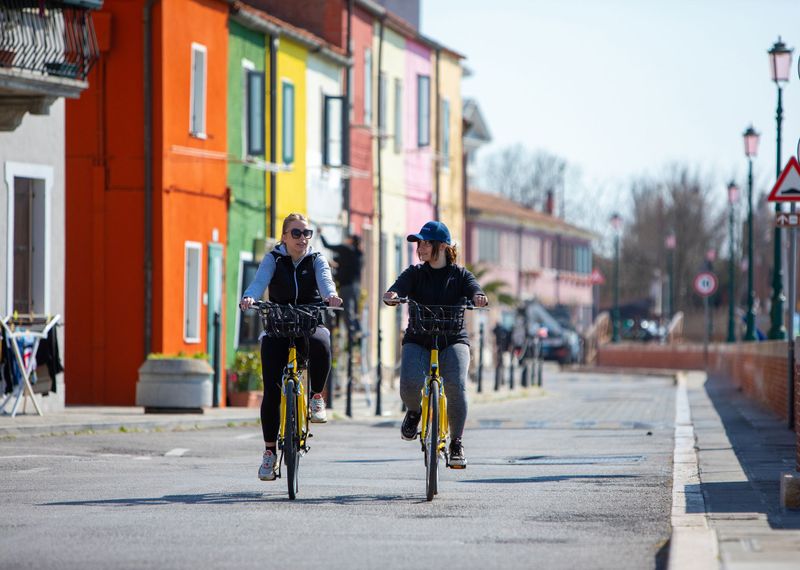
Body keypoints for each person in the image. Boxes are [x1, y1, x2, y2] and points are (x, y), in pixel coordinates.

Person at [240, 213, 342, 481]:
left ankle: (316, 397)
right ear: (284, 236)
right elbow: (260, 281)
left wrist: (330, 295)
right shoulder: (274, 258)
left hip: (308, 323)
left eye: (306, 233)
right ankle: (270, 453)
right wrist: (249, 297)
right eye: (296, 233)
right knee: (272, 392)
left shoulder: (316, 259)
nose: (302, 238)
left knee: (322, 341)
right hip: (278, 326)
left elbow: (325, 281)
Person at [382, 220, 487, 468]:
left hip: (453, 339)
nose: (421, 247)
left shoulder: (460, 274)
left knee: (457, 385)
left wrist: (478, 296)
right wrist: (393, 295)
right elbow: (398, 287)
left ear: (442, 246)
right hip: (419, 338)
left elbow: (474, 288)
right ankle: (415, 412)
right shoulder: (415, 273)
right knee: (409, 382)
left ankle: (456, 442)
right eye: (420, 242)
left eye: (427, 242)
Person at [318, 227, 363, 338]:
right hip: (356, 287)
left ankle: (352, 334)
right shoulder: (359, 254)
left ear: (351, 241)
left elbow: (327, 245)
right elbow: (344, 265)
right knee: (354, 312)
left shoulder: (346, 249)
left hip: (346, 286)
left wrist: (321, 234)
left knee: (346, 311)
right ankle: (356, 332)